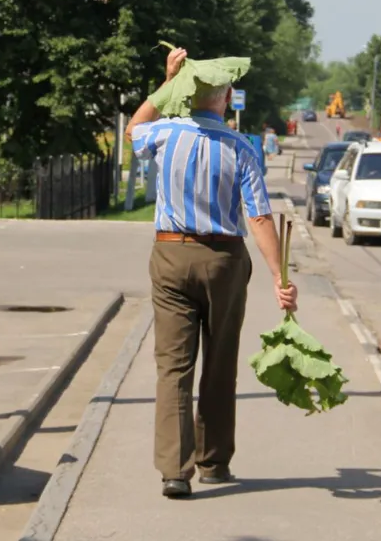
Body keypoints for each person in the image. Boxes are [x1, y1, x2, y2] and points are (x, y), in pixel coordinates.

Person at [125, 46, 299, 499]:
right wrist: (279, 278)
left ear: (188, 93)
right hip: (225, 261)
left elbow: (132, 129)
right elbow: (259, 216)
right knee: (219, 363)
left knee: (173, 366)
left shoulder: (164, 134)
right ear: (224, 99)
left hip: (171, 255)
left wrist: (167, 82)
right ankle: (214, 462)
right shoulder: (240, 147)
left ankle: (174, 471)